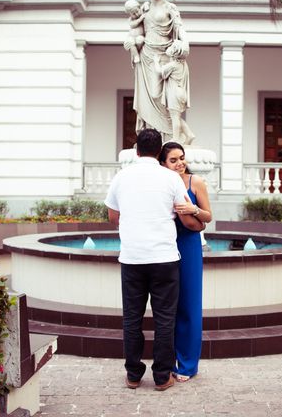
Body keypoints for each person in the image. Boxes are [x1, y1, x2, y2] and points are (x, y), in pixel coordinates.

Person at [104, 128, 201, 391]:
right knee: (165, 319)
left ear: (137, 150)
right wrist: (201, 222)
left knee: (132, 319)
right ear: (159, 152)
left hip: (133, 258)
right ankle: (161, 377)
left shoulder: (121, 177)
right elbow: (185, 217)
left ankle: (134, 375)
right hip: (165, 258)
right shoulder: (171, 179)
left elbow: (113, 217)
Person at [158, 141, 212, 382]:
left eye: (181, 158)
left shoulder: (195, 182)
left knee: (189, 305)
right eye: (173, 160)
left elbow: (208, 216)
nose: (180, 163)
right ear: (162, 163)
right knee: (168, 307)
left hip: (188, 246)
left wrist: (193, 210)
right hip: (163, 246)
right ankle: (167, 361)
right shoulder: (159, 184)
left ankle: (188, 365)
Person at [124, 0, 195, 144]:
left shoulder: (170, 8)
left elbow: (179, 28)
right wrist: (131, 42)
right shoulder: (144, 9)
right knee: (148, 97)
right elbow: (136, 30)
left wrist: (185, 42)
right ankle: (155, 138)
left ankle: (173, 134)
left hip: (165, 55)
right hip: (147, 55)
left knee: (161, 98)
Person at [153, 41, 195, 145]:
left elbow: (159, 72)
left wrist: (156, 62)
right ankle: (189, 134)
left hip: (174, 92)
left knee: (174, 117)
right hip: (181, 92)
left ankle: (175, 139)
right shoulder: (183, 64)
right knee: (177, 116)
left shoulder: (173, 65)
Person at [124, 0, 147, 66]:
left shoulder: (142, 13)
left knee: (140, 40)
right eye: (133, 14)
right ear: (130, 14)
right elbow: (133, 24)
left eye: (137, 11)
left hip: (140, 37)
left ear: (139, 8)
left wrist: (146, 4)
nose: (136, 14)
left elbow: (145, 5)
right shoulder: (131, 20)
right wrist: (140, 19)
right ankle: (136, 55)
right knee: (130, 42)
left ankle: (138, 53)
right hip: (131, 37)